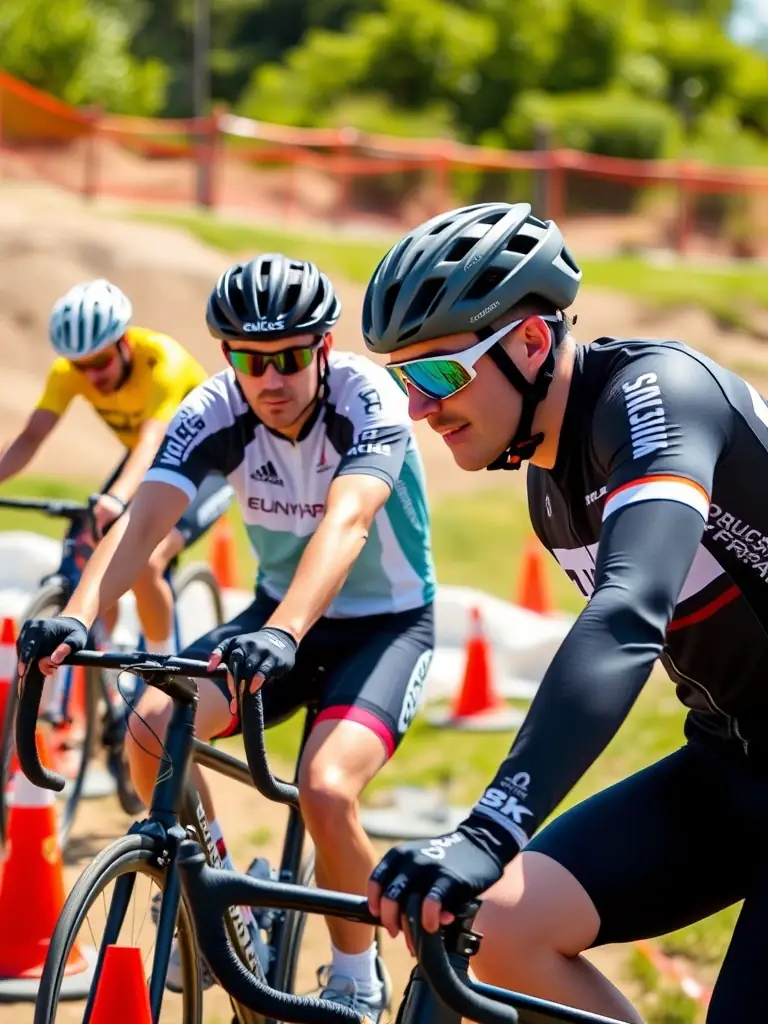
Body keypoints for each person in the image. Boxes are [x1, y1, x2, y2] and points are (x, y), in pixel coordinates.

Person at [362, 201, 768, 1024]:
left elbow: (626, 617)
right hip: (735, 764)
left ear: (532, 342)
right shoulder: (549, 485)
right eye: (402, 379)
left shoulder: (658, 398)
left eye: (437, 374)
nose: (418, 407)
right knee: (495, 935)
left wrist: (489, 831)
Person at [16, 254, 436, 1020]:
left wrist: (284, 630)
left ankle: (357, 974)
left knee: (325, 788)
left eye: (289, 358)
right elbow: (144, 520)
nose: (271, 380)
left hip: (384, 624)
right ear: (226, 357)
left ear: (326, 348)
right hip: (277, 616)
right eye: (250, 360)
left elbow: (348, 521)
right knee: (147, 730)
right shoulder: (215, 409)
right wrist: (78, 612)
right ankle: (225, 910)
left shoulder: (368, 395)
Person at [0, 278, 233, 654]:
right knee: (88, 543)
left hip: (210, 465)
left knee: (148, 561)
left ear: (124, 342)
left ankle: (164, 677)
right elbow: (30, 438)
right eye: (81, 366)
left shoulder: (162, 361)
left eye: (101, 361)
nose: (92, 376)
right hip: (153, 462)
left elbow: (152, 440)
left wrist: (116, 497)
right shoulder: (67, 373)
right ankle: (112, 655)